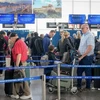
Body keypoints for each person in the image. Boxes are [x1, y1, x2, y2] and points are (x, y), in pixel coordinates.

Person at [9, 33, 31, 99]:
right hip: (22, 62)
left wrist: (17, 66)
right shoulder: (21, 42)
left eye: (11, 39)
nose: (11, 40)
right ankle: (16, 93)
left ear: (14, 37)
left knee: (22, 78)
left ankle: (27, 94)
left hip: (20, 63)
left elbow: (19, 55)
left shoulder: (18, 43)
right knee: (18, 78)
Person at [77, 24, 95, 91]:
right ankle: (79, 85)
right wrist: (78, 51)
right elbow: (81, 45)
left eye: (82, 28)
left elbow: (90, 48)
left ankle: (88, 86)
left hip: (87, 57)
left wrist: (82, 56)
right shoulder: (83, 35)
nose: (81, 30)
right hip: (81, 56)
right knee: (79, 72)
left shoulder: (90, 36)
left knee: (88, 72)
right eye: (81, 28)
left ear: (87, 28)